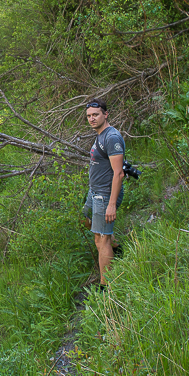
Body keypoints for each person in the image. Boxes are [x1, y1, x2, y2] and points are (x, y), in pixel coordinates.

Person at [82, 99, 124, 287]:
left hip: (105, 195)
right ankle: (117, 247)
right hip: (94, 192)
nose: (92, 119)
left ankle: (106, 286)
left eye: (95, 115)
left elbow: (119, 173)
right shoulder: (100, 135)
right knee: (84, 218)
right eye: (89, 116)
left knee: (101, 239)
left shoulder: (111, 137)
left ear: (105, 114)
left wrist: (111, 204)